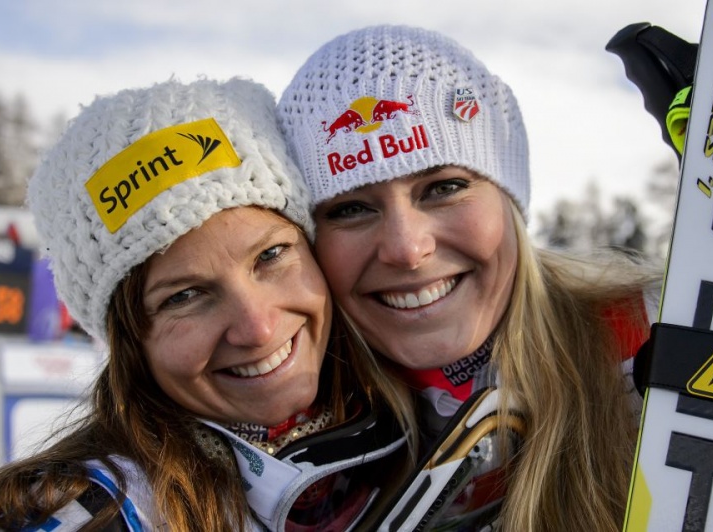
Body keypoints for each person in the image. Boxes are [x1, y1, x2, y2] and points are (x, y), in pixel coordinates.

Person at [0, 77, 415, 531]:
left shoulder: (420, 432)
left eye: (270, 256)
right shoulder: (85, 513)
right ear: (130, 340)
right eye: (184, 296)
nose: (258, 328)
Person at [277, 25, 661, 531]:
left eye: (444, 187)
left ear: (510, 199)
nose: (407, 250)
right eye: (350, 208)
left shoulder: (647, 336)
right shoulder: (286, 429)